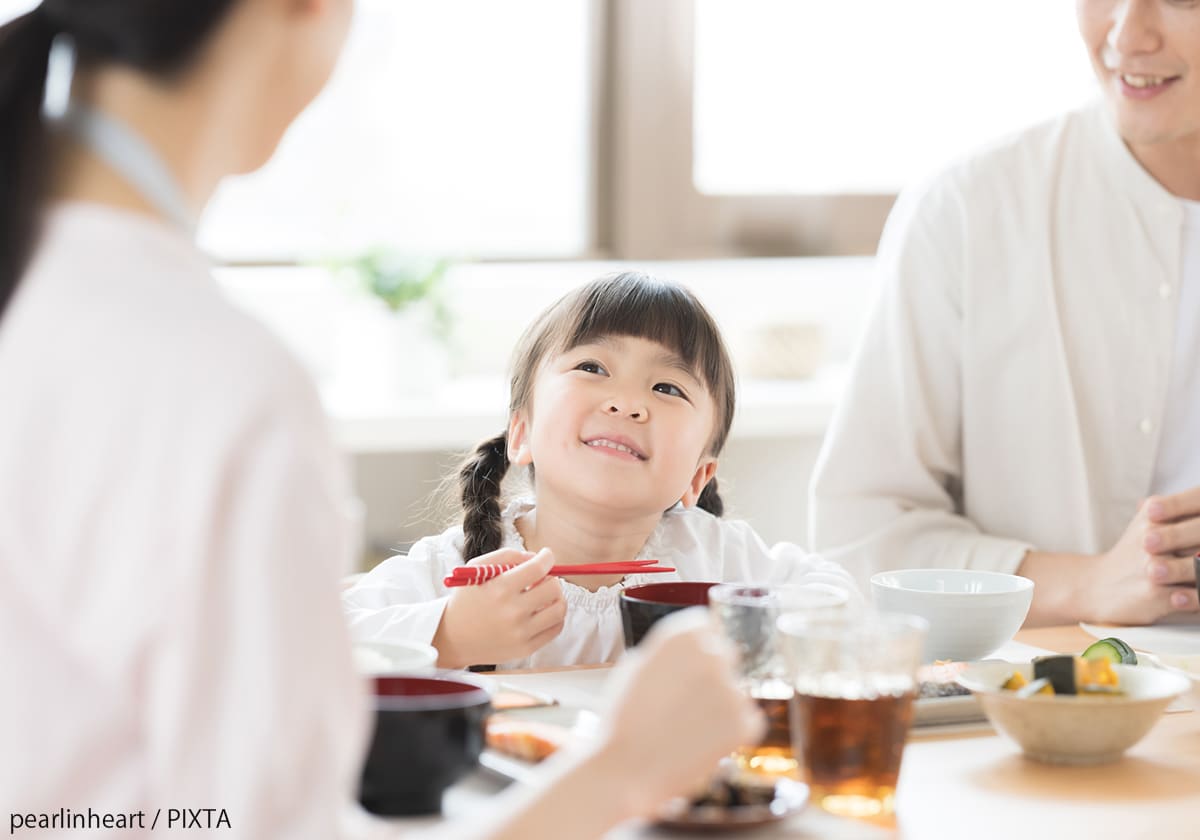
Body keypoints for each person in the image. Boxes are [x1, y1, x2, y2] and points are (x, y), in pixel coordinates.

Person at [0, 2, 762, 838]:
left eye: (668, 389)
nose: (626, 401)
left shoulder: (57, 301)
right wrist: (621, 770)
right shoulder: (219, 385)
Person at [809, 0, 1200, 627]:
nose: (1127, 35)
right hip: (1041, 700)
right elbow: (862, 542)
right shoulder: (969, 209)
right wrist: (1089, 585)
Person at [343, 271, 859, 669]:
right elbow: (314, 646)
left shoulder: (718, 559)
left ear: (697, 479)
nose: (628, 402)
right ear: (521, 434)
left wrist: (750, 623)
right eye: (593, 368)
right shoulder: (459, 569)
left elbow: (845, 605)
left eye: (667, 388)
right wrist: (449, 634)